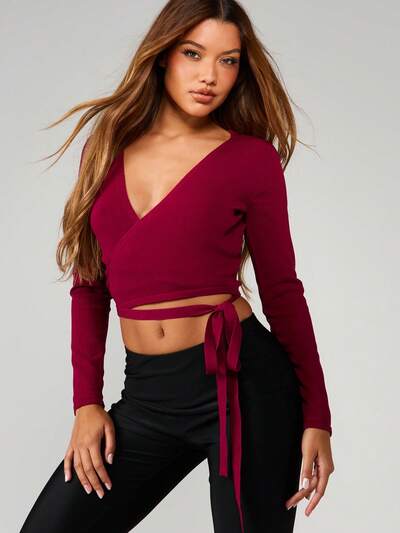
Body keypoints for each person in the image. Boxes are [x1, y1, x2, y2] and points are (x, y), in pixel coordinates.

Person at [19, 1, 334, 532]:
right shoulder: (106, 148)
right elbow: (89, 285)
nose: (210, 75)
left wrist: (317, 417)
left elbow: (282, 290)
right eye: (194, 54)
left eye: (228, 61)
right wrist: (86, 404)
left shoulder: (249, 160)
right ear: (164, 54)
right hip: (147, 393)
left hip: (243, 388)